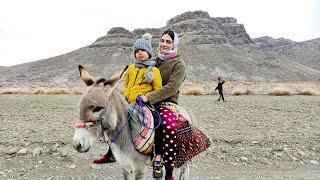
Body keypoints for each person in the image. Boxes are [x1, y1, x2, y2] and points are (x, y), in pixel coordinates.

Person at [93, 33, 162, 163]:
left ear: (149, 52)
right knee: (114, 121)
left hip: (144, 104)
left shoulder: (154, 71)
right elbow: (126, 85)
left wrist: (147, 98)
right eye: (137, 51)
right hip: (128, 103)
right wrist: (124, 95)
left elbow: (158, 90)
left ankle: (152, 150)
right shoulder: (131, 68)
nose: (140, 53)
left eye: (143, 50)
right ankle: (111, 153)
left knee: (157, 121)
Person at [140, 29, 185, 180]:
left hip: (166, 102)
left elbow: (172, 87)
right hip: (146, 98)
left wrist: (149, 97)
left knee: (168, 126)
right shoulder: (152, 59)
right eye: (162, 41)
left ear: (174, 44)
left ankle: (168, 172)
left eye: (168, 42)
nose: (164, 44)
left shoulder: (178, 63)